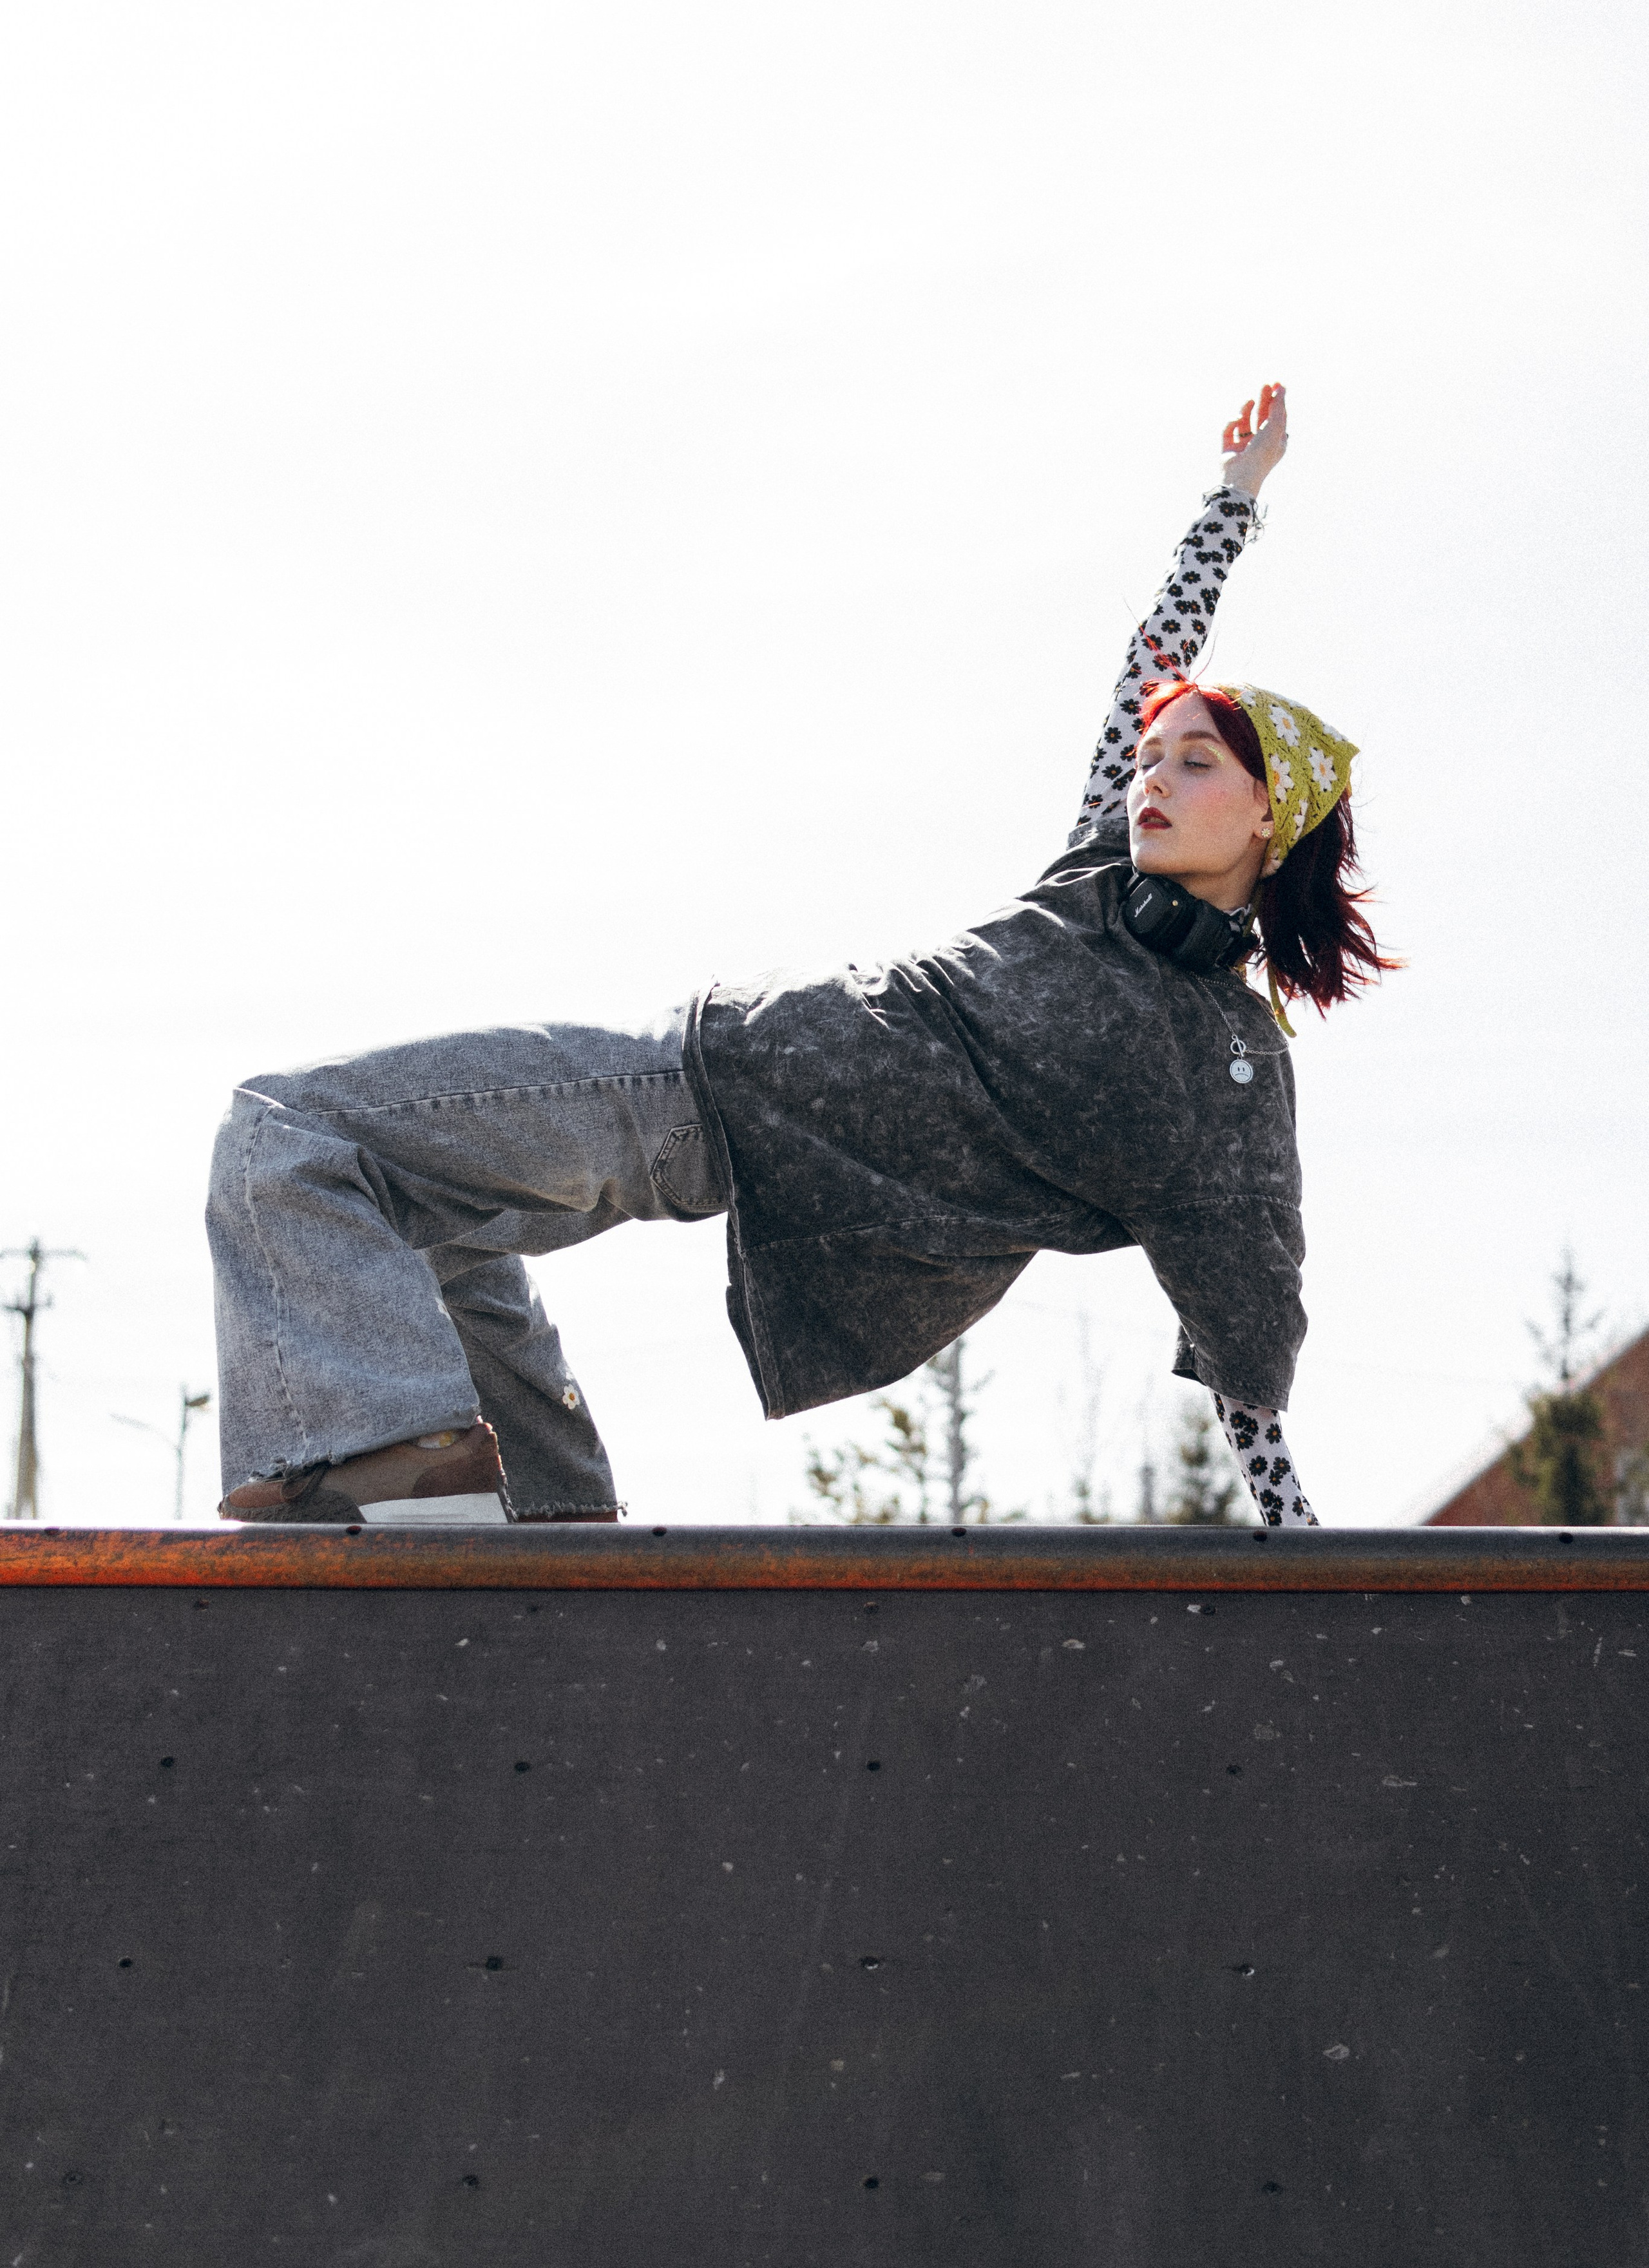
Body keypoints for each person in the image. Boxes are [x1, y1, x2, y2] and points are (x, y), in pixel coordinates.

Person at [209, 383, 1395, 1529]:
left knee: (292, 1132)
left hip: (697, 1095)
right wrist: (1233, 499)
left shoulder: (1226, 1074)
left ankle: (398, 1466)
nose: (1151, 781)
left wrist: (1302, 1551)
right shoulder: (1098, 876)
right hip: (721, 1077)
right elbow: (1153, 653)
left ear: (1269, 815)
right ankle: (546, 1509)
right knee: (423, 1207)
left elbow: (1247, 1332)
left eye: (1196, 763)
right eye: (1148, 759)